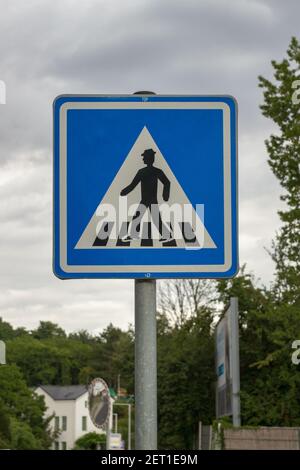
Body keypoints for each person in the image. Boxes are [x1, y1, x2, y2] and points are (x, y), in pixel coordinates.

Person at [120, 148, 172, 242]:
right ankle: (135, 234)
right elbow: (167, 183)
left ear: (148, 159)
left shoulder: (143, 172)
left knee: (146, 218)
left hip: (149, 200)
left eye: (144, 157)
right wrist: (165, 195)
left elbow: (132, 185)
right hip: (148, 199)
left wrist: (124, 192)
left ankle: (166, 235)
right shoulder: (156, 171)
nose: (143, 159)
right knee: (140, 217)